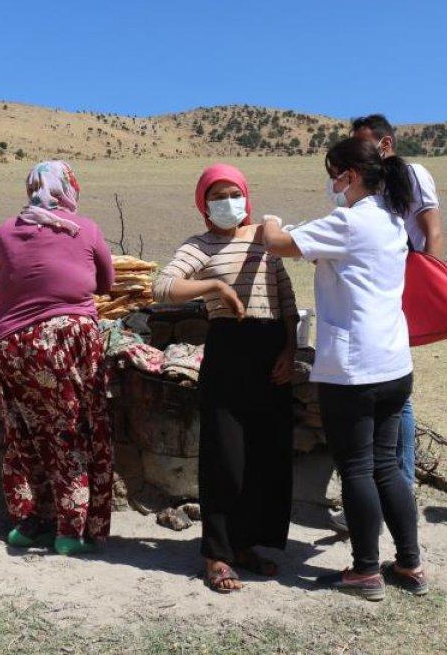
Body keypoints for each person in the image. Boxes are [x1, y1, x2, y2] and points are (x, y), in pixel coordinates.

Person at [262, 138, 425, 602]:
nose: (331, 184)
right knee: (387, 466)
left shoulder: (349, 223)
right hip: (394, 364)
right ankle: (410, 562)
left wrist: (271, 219)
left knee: (356, 468)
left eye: (334, 174)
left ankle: (366, 570)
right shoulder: (393, 221)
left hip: (354, 371)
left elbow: (278, 242)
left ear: (349, 176)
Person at [152, 163, 299, 594]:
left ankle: (247, 546)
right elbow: (163, 287)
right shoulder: (200, 245)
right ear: (203, 203)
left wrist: (290, 351)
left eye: (232, 193)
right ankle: (216, 553)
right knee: (226, 458)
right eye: (215, 195)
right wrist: (213, 288)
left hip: (272, 350)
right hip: (229, 352)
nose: (226, 202)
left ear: (246, 195)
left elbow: (287, 301)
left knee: (264, 457)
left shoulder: (266, 239)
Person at [0, 161, 116, 556]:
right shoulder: (86, 228)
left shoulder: (6, 230)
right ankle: (71, 530)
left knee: (25, 433)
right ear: (68, 189)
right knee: (74, 429)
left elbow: (0, 279)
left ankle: (30, 523)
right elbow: (106, 283)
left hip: (12, 345)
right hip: (67, 341)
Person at [330, 114, 445, 533]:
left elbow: (431, 231)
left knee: (395, 394)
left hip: (400, 288)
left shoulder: (412, 175)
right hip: (375, 292)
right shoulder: (358, 186)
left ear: (385, 143)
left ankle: (401, 484)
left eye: (365, 145)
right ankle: (388, 490)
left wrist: (424, 289)